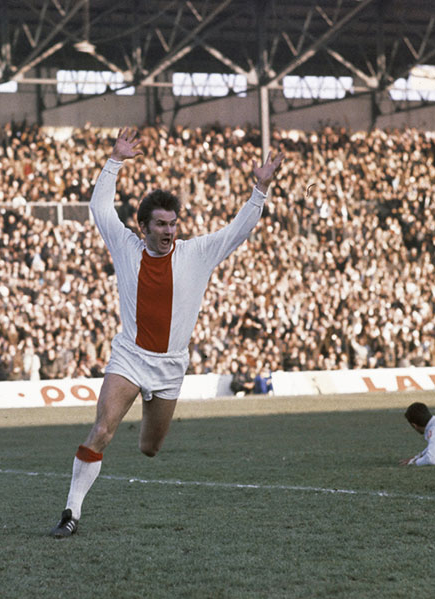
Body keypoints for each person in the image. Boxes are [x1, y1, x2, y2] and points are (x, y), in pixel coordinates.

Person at [49, 128, 284, 537]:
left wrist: (259, 190)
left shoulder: (196, 254)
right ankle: (71, 513)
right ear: (143, 227)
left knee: (150, 448)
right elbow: (100, 208)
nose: (169, 231)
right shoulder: (126, 247)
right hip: (130, 356)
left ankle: (145, 415)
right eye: (160, 224)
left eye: (173, 224)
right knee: (102, 430)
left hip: (171, 365)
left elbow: (237, 231)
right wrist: (114, 162)